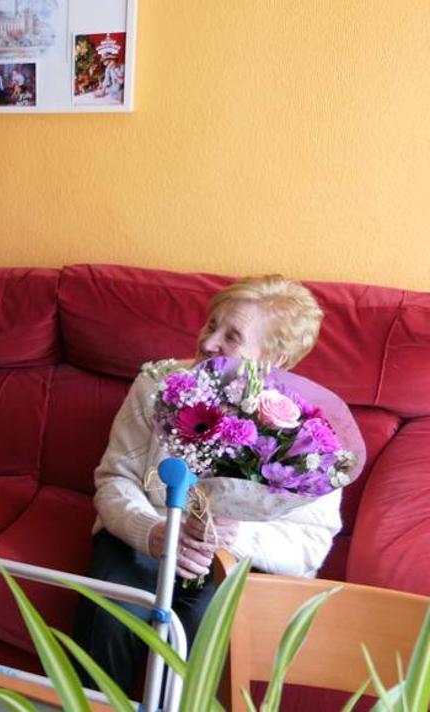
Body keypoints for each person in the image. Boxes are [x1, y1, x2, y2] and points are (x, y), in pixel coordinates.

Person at [74, 275, 351, 693]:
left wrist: (236, 536)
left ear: (274, 357)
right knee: (110, 610)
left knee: (200, 634)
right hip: (146, 534)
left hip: (233, 559)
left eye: (232, 336)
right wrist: (153, 532)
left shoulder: (307, 427)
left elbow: (311, 541)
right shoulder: (158, 382)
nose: (208, 342)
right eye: (211, 325)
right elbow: (116, 479)